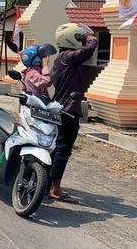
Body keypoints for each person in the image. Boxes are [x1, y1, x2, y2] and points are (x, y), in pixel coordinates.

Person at [49, 23, 98, 204]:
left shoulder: (60, 58)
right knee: (63, 149)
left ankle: (49, 184)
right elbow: (88, 50)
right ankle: (55, 189)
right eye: (80, 38)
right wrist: (90, 40)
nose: (84, 40)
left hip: (61, 108)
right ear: (72, 39)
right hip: (68, 109)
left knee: (57, 147)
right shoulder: (68, 57)